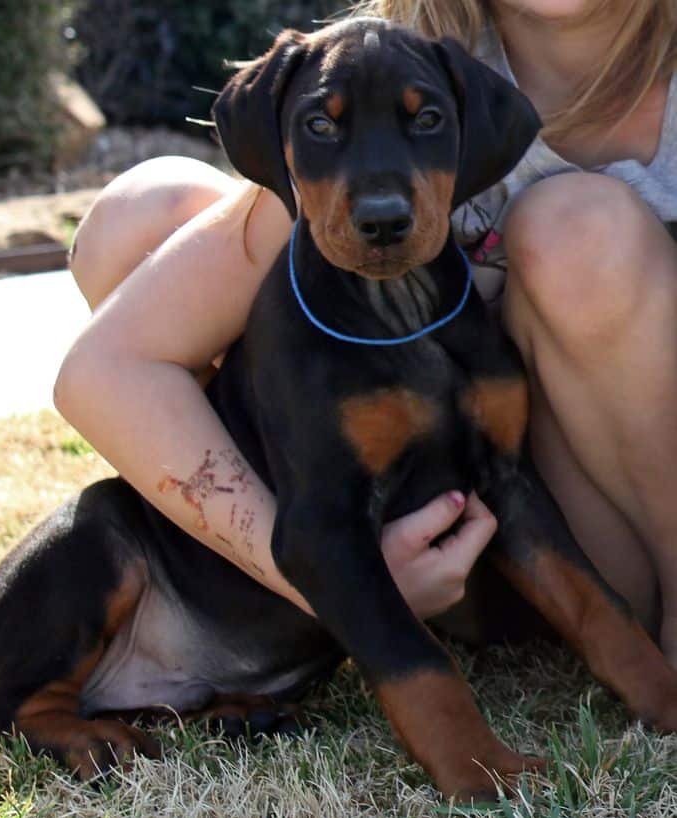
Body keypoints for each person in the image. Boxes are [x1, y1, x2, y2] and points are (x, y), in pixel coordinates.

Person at [55, 0, 677, 665]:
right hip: (470, 522)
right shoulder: (392, 67)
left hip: (619, 525)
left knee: (578, 232)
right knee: (143, 217)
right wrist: (330, 581)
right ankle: (330, 611)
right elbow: (104, 371)